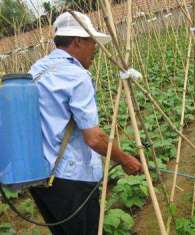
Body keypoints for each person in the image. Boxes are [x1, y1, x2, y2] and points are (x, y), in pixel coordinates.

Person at [29, 11, 142, 235]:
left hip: (38, 178)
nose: (95, 49)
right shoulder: (76, 75)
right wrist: (126, 159)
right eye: (92, 42)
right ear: (77, 41)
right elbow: (94, 138)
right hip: (69, 179)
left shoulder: (35, 71)